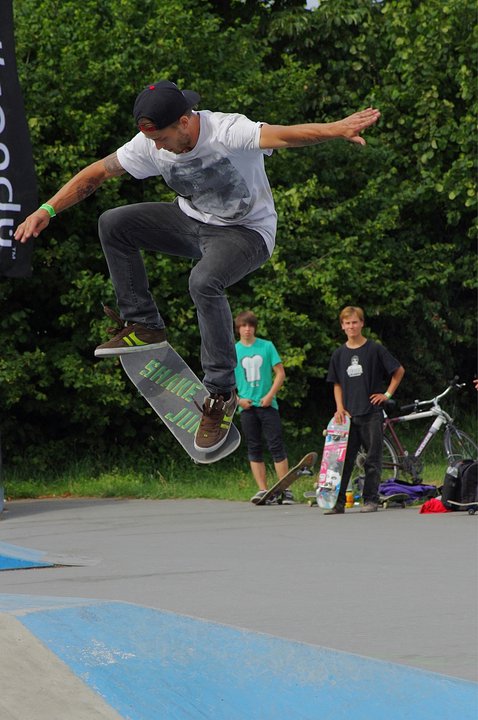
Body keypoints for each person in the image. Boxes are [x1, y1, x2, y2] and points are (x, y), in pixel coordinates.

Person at [14, 79, 380, 453]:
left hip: (246, 233)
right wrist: (47, 210)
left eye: (163, 139)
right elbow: (97, 174)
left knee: (203, 281)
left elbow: (285, 136)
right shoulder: (150, 142)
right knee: (114, 222)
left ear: (186, 122)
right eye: (153, 141)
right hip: (190, 224)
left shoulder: (228, 130)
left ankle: (220, 395)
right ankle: (144, 323)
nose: (157, 148)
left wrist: (335, 129)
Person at [326, 306, 405, 513]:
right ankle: (338, 503)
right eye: (347, 323)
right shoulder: (339, 354)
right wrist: (339, 407)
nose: (351, 326)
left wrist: (386, 395)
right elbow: (336, 384)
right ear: (342, 326)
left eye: (355, 322)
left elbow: (398, 371)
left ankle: (371, 500)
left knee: (372, 458)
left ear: (362, 323)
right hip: (349, 415)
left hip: (371, 412)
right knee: (344, 461)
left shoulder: (374, 349)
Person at [234, 311, 290, 504]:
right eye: (243, 326)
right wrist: (238, 399)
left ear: (254, 327)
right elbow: (224, 381)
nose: (247, 329)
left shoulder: (266, 346)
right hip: (247, 407)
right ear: (238, 329)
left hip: (267, 404)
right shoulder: (233, 351)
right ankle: (262, 489)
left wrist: (270, 395)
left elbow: (280, 373)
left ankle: (284, 488)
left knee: (275, 445)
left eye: (250, 325)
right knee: (254, 447)